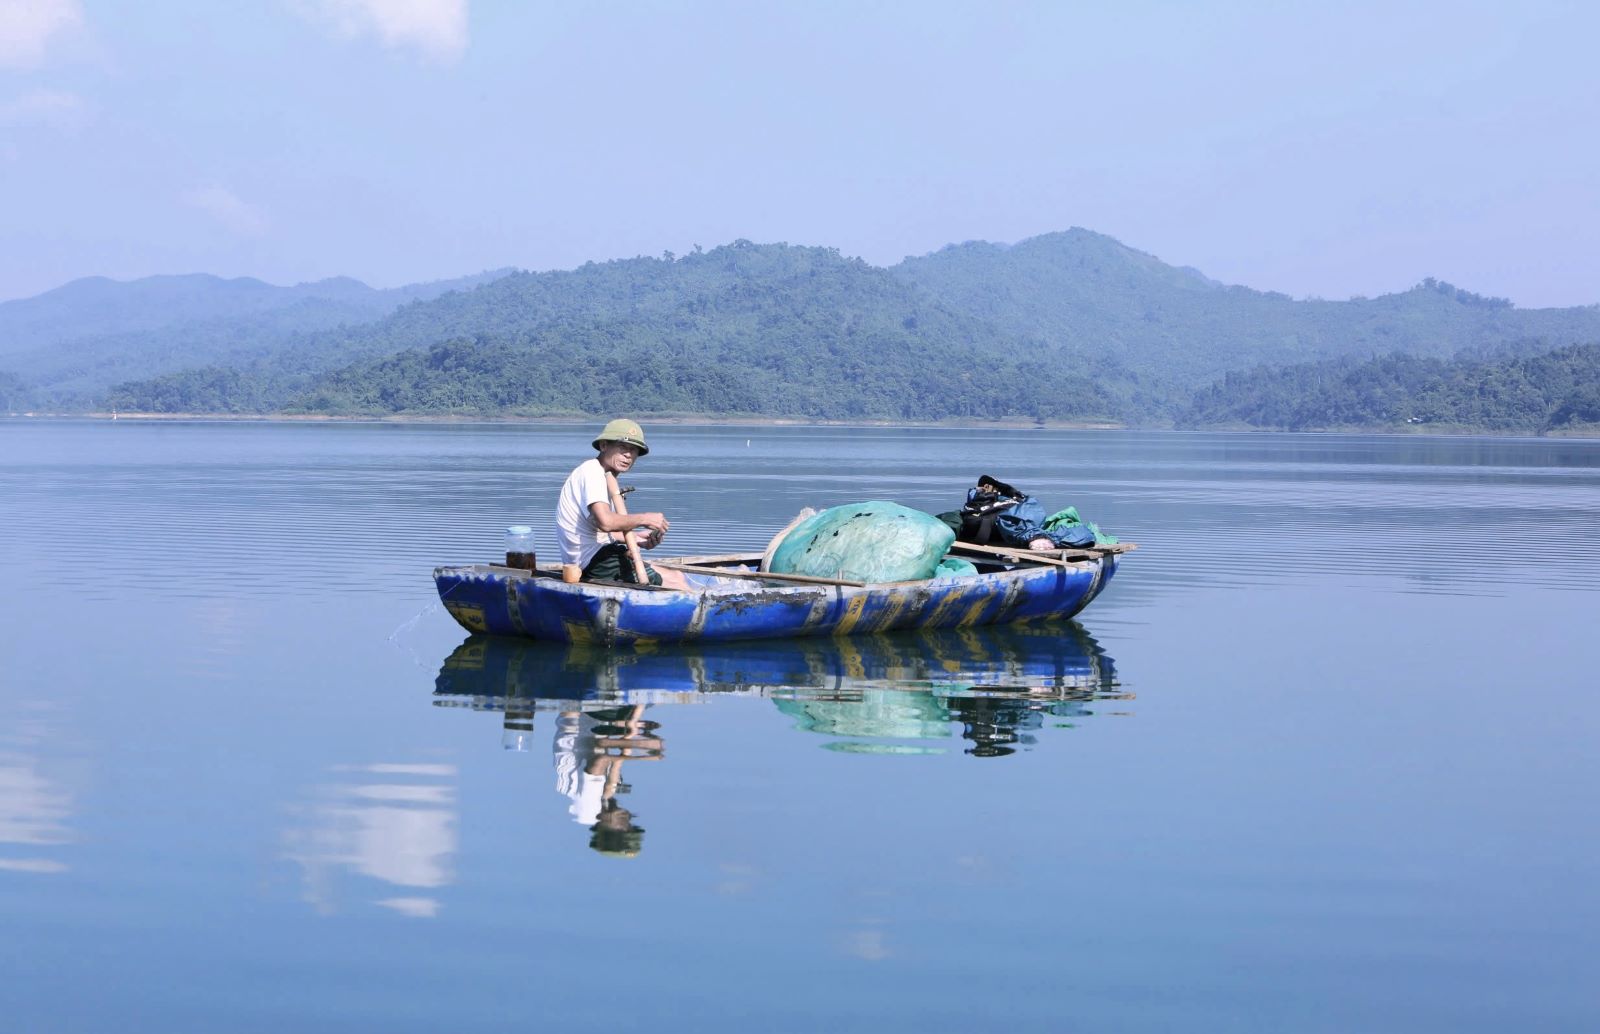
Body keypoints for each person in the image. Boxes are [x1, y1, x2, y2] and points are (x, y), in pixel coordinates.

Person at [556, 418, 690, 590]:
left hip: (600, 555)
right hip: (594, 562)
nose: (628, 455)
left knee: (676, 575)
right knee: (675, 585)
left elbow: (596, 530)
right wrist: (645, 518)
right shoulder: (592, 472)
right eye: (623, 448)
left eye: (634, 451)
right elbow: (606, 522)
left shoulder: (605, 477)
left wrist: (637, 538)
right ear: (604, 446)